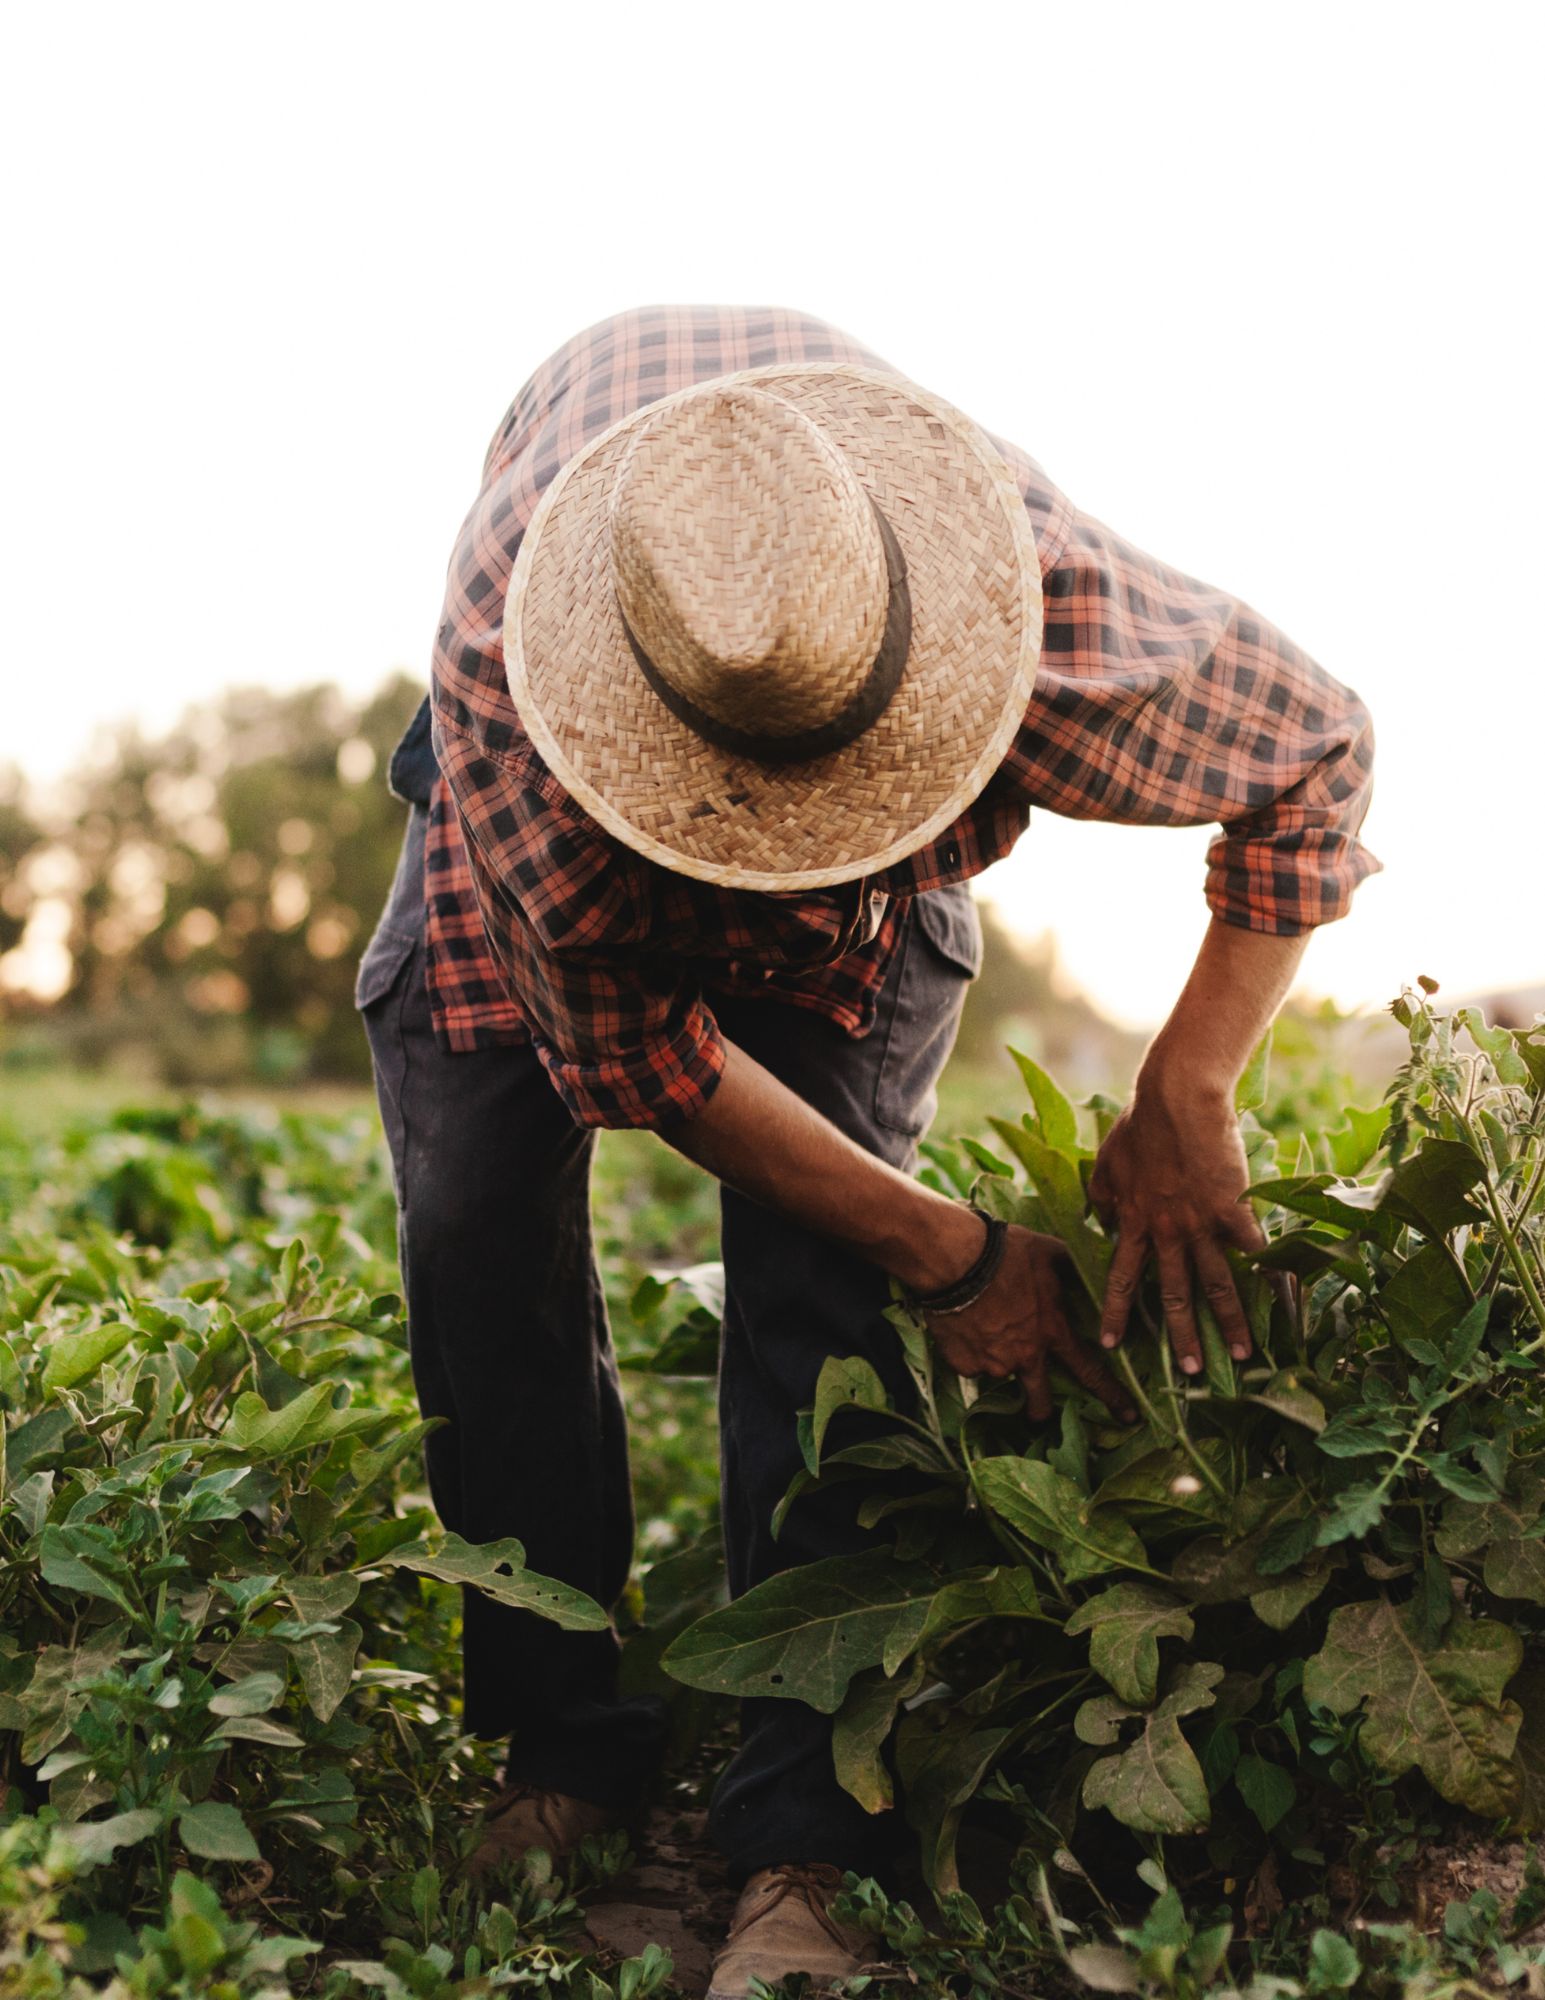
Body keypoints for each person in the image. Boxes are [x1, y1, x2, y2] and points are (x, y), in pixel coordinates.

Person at [355, 304, 1377, 1997]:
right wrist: (958, 1252)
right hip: (545, 821)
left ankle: (803, 1841)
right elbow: (643, 1061)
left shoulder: (1030, 601)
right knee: (475, 1238)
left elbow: (1316, 754)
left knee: (823, 1306)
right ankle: (564, 1746)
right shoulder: (522, 716)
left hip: (880, 712)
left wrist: (1187, 1090)